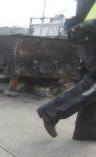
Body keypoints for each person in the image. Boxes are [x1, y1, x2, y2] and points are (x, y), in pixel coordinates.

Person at [37, 0, 96, 140]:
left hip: (86, 32)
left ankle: (86, 130)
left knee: (89, 80)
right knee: (92, 82)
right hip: (90, 32)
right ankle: (50, 112)